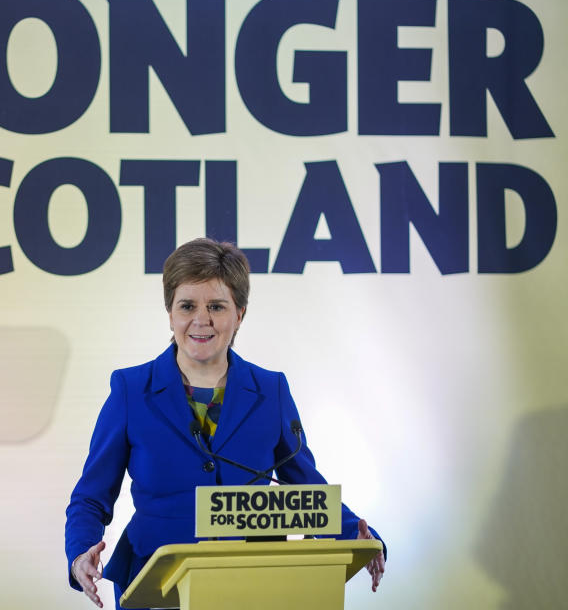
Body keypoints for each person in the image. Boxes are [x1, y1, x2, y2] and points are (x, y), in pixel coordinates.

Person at [65, 238, 386, 609]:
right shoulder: (130, 390)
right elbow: (90, 497)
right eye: (187, 306)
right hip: (155, 584)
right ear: (170, 312)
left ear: (240, 314)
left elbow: (305, 487)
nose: (202, 320)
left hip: (253, 582)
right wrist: (79, 554)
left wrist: (363, 538)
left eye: (217, 306)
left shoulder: (271, 390)